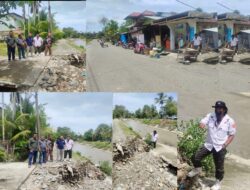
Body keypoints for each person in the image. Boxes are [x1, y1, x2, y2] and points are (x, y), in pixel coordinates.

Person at [187, 101, 236, 190]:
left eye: (219, 108)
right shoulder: (211, 115)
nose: (217, 110)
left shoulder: (230, 121)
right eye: (216, 108)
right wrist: (202, 123)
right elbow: (203, 120)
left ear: (224, 109)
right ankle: (197, 169)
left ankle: (217, 183)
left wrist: (225, 144)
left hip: (220, 146)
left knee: (219, 167)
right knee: (195, 157)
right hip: (209, 144)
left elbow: (232, 135)